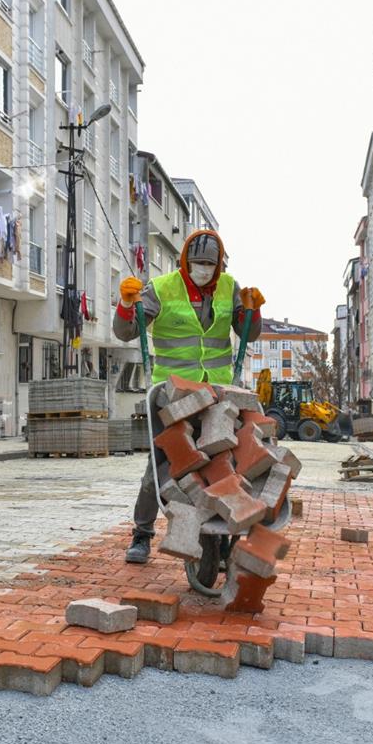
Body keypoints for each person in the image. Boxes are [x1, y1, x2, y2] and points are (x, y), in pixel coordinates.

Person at [112, 229, 264, 564]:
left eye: (210, 264)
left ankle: (225, 524)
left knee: (223, 460)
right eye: (198, 263)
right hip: (172, 393)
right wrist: (126, 304)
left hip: (218, 394)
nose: (204, 269)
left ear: (220, 264)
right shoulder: (162, 288)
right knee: (161, 463)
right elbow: (125, 333)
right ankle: (142, 534)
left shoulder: (229, 287)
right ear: (185, 261)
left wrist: (251, 311)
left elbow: (248, 334)